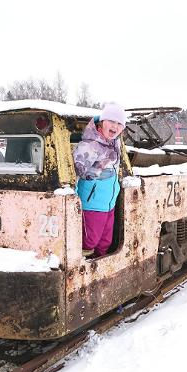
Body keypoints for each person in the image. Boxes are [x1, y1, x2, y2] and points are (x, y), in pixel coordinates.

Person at [73, 102, 126, 257]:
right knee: (89, 242)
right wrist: (98, 168)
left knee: (105, 242)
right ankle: (84, 273)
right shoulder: (90, 145)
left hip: (109, 202)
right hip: (92, 203)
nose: (115, 127)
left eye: (119, 123)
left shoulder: (114, 142)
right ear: (102, 122)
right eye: (111, 121)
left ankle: (101, 271)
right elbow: (77, 171)